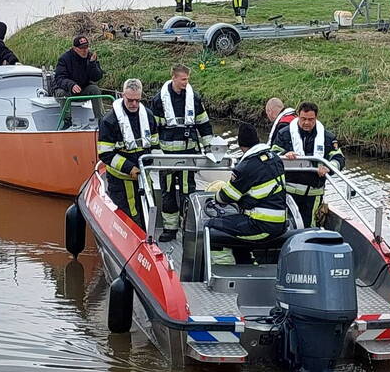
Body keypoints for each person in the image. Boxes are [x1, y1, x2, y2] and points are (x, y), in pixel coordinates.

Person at [150, 64, 213, 242]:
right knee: (167, 192)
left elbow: (203, 123)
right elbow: (153, 128)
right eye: (183, 79)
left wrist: (209, 147)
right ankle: (170, 229)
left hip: (188, 154)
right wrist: (155, 152)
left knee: (188, 192)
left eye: (188, 79)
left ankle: (188, 228)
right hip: (167, 157)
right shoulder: (158, 100)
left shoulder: (194, 98)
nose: (186, 83)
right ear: (174, 78)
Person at [208, 123, 288, 264]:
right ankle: (246, 262)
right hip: (280, 224)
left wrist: (215, 195)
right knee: (237, 223)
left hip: (261, 226)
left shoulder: (245, 166)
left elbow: (226, 197)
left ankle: (224, 268)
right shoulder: (275, 158)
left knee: (212, 227)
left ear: (240, 145)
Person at [97, 79, 159, 228]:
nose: (134, 105)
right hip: (120, 181)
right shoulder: (109, 121)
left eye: (137, 100)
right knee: (127, 218)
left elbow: (155, 144)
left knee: (146, 214)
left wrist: (152, 165)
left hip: (143, 177)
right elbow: (105, 154)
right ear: (122, 95)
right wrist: (129, 168)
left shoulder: (148, 116)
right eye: (130, 100)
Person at [271, 102, 345, 228]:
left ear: (316, 118)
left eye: (311, 120)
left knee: (310, 227)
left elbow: (339, 158)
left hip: (313, 194)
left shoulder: (327, 137)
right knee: (285, 226)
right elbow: (273, 154)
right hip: (289, 193)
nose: (306, 123)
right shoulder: (284, 134)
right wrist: (285, 154)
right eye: (303, 119)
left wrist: (328, 167)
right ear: (298, 116)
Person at [53, 35, 105, 118]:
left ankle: (100, 120)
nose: (85, 50)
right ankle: (66, 121)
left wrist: (92, 64)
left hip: (82, 89)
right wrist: (71, 85)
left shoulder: (90, 57)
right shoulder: (64, 59)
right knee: (62, 93)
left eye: (86, 47)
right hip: (66, 89)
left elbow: (97, 77)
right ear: (75, 48)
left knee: (95, 90)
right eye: (82, 48)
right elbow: (59, 78)